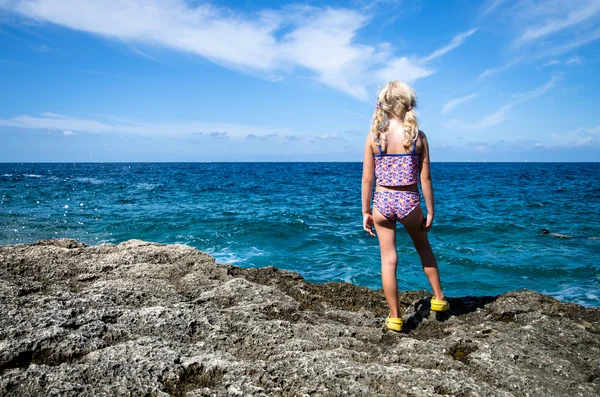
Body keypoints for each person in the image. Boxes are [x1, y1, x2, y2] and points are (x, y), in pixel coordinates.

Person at [361, 81, 449, 332]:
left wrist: (365, 211)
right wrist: (431, 211)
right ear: (408, 104)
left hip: (382, 201)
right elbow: (425, 179)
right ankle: (439, 299)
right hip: (409, 201)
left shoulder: (374, 136)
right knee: (423, 248)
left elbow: (367, 178)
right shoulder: (418, 137)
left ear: (383, 105)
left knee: (388, 259)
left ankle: (395, 317)